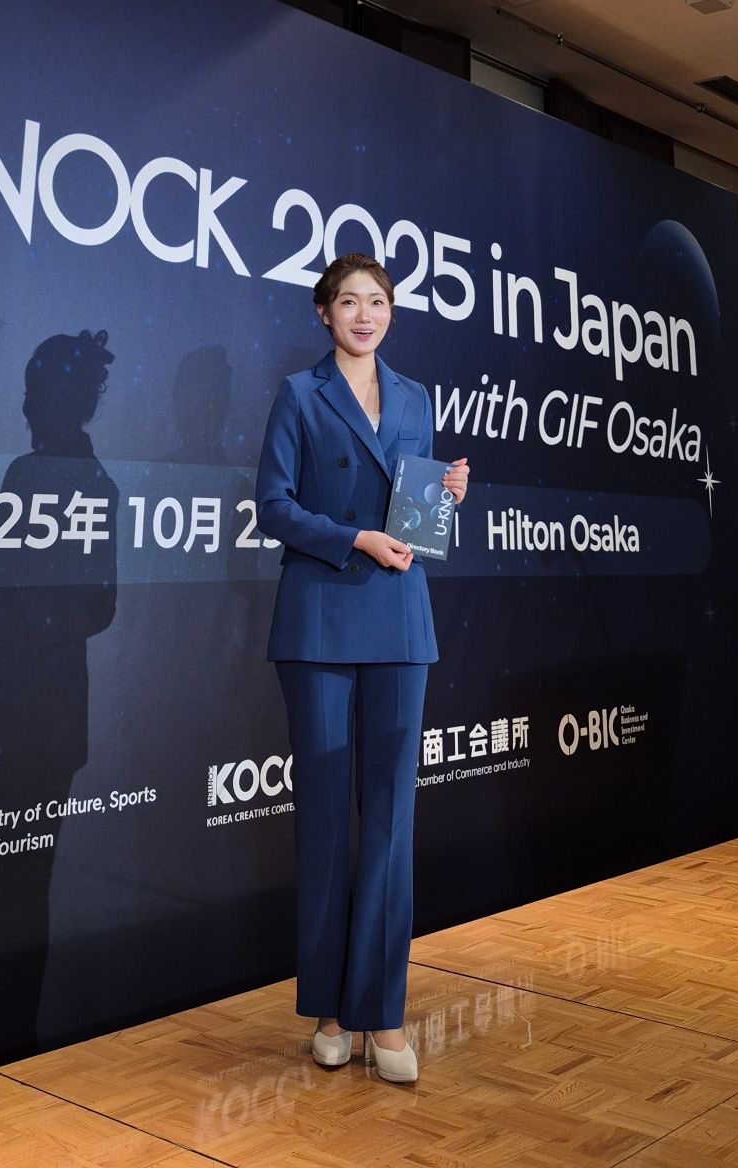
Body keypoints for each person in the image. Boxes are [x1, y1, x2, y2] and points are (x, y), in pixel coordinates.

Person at [255, 252, 468, 1085]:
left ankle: (383, 1014)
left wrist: (446, 497)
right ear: (324, 313)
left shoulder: (415, 396)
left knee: (389, 822)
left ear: (391, 312)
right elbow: (274, 505)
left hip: (399, 622)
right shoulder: (299, 395)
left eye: (376, 301)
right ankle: (328, 1010)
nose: (364, 314)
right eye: (348, 301)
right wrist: (353, 539)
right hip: (318, 621)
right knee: (322, 822)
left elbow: (415, 516)